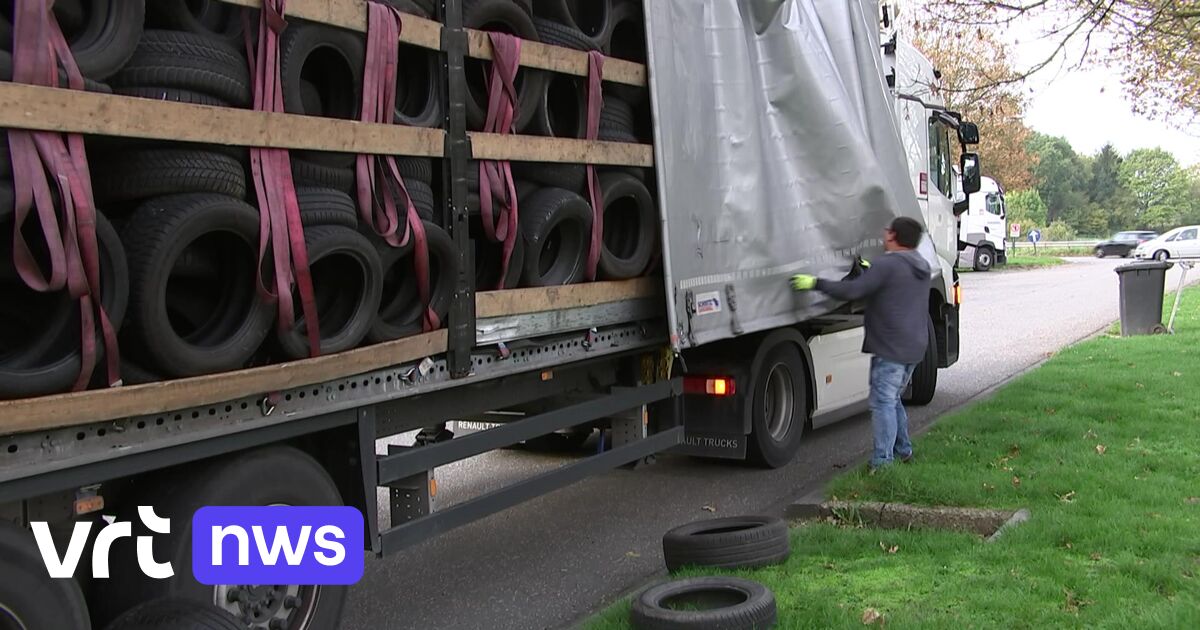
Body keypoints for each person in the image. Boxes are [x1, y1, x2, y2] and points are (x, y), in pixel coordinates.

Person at [789, 216, 931, 471]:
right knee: (893, 398)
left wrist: (815, 283)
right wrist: (871, 271)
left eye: (887, 230)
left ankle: (882, 463)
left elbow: (853, 292)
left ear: (892, 237)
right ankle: (903, 450)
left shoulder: (888, 265)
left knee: (883, 402)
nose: (884, 233)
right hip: (914, 346)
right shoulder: (919, 264)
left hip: (891, 348)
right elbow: (891, 286)